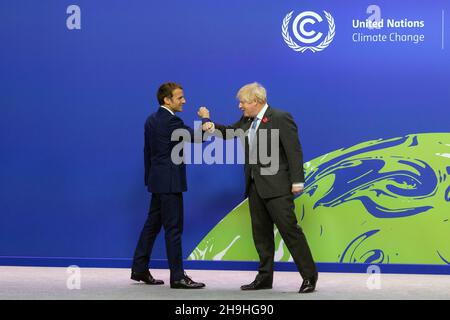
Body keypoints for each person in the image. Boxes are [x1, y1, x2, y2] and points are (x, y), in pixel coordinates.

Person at [205, 82, 318, 293]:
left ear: (257, 101)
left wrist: (297, 182)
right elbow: (231, 132)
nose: (240, 106)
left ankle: (309, 276)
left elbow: (294, 151)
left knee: (290, 232)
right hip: (255, 186)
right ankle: (265, 278)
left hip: (277, 187)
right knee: (261, 235)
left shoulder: (280, 117)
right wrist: (212, 126)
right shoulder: (247, 121)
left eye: (243, 102)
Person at [131, 82, 210, 289]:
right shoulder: (172, 122)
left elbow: (147, 152)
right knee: (173, 229)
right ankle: (177, 277)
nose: (184, 101)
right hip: (171, 183)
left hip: (158, 182)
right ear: (167, 100)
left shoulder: (151, 120)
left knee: (152, 226)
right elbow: (200, 137)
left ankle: (139, 268)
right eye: (180, 97)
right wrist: (205, 118)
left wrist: (150, 180)